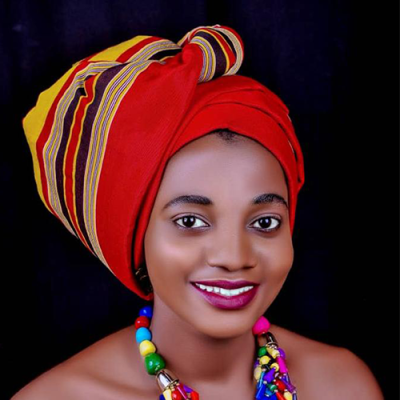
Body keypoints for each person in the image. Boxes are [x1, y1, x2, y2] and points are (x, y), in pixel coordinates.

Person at [12, 25, 384, 399]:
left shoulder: (344, 385)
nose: (234, 257)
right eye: (190, 221)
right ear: (135, 237)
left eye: (265, 222)